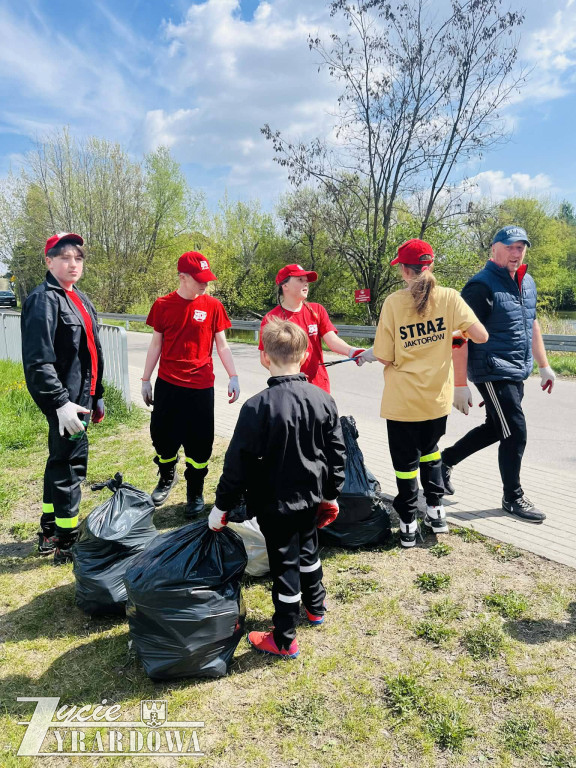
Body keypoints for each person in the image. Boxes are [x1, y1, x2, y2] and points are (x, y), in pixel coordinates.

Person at [207, 319, 346, 658]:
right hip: (312, 499)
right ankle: (316, 607)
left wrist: (221, 506)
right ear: (307, 354)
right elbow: (337, 453)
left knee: (285, 567)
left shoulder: (256, 407)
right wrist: (331, 493)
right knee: (309, 551)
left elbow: (237, 464)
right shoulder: (323, 399)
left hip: (275, 505)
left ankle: (284, 638)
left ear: (264, 358)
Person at [373, 239, 488, 548]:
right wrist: (453, 333)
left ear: (403, 270)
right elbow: (481, 335)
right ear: (431, 265)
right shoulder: (449, 298)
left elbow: (383, 356)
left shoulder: (394, 303)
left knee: (405, 464)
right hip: (436, 400)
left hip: (402, 401)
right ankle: (436, 512)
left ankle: (408, 524)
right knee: (431, 450)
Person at [440, 226, 556, 523]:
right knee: (515, 431)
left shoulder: (526, 282)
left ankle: (444, 462)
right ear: (494, 248)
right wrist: (459, 384)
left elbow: (531, 324)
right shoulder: (480, 286)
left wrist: (543, 365)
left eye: (521, 247)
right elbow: (459, 334)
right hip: (491, 369)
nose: (517, 253)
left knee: (496, 427)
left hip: (517, 367)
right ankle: (512, 496)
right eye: (510, 247)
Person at [22, 233, 105, 565]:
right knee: (70, 466)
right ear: (49, 261)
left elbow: (91, 353)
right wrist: (60, 403)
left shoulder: (78, 297)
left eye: (78, 258)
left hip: (82, 398)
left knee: (59, 460)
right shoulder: (43, 300)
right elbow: (38, 362)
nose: (73, 264)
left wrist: (98, 395)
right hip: (66, 403)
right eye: (65, 257)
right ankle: (67, 542)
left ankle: (49, 530)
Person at [141, 251, 240, 518]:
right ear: (182, 277)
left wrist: (233, 375)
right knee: (162, 437)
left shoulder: (213, 306)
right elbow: (156, 344)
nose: (205, 283)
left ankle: (195, 490)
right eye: (199, 279)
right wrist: (145, 379)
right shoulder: (162, 305)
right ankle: (166, 476)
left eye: (207, 279)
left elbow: (222, 345)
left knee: (200, 443)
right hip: (169, 384)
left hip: (201, 387)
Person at [258, 263, 376, 392]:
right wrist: (287, 377)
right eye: (300, 279)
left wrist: (353, 351)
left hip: (319, 387)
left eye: (306, 280)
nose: (306, 283)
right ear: (285, 285)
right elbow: (265, 358)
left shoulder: (317, 310)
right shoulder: (271, 319)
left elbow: (332, 340)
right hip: (289, 389)